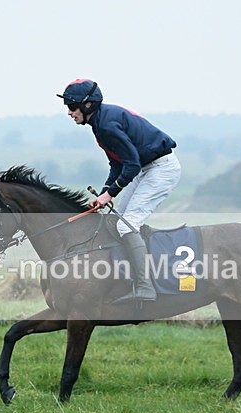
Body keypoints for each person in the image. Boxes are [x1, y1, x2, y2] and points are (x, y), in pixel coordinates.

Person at [56, 79, 182, 304]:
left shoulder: (106, 125)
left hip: (161, 169)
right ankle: (126, 276)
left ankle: (146, 286)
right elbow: (117, 164)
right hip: (146, 168)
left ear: (88, 105)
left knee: (126, 225)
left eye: (72, 106)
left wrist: (110, 194)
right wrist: (104, 192)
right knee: (117, 222)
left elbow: (131, 165)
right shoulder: (99, 123)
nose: (69, 112)